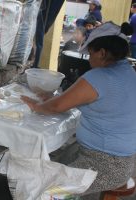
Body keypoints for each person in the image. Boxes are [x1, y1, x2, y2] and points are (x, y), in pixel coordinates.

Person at [21, 22, 136, 198]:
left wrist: (36, 106)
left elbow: (56, 107)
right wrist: (51, 97)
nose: (89, 60)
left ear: (102, 53)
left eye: (90, 54)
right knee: (54, 164)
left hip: (106, 164)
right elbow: (70, 98)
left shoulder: (99, 76)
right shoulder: (129, 72)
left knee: (43, 189)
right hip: (123, 161)